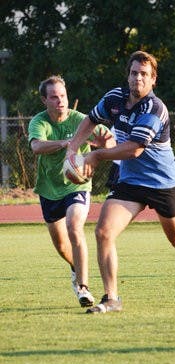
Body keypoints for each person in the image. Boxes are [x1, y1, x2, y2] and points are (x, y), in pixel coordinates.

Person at [66, 51, 175, 313]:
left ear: (153, 80)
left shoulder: (155, 108)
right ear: (127, 76)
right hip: (131, 182)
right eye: (133, 73)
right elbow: (91, 119)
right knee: (104, 231)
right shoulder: (114, 98)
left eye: (144, 74)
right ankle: (112, 298)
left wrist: (95, 155)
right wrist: (72, 148)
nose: (137, 78)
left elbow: (134, 149)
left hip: (163, 183)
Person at [28, 75, 114, 308]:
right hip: (49, 190)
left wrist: (105, 143)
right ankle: (77, 267)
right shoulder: (39, 122)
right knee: (62, 246)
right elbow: (36, 146)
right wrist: (69, 143)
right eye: (54, 97)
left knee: (74, 226)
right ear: (44, 100)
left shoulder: (82, 121)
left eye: (63, 96)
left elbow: (110, 142)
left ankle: (83, 287)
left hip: (78, 185)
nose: (60, 101)